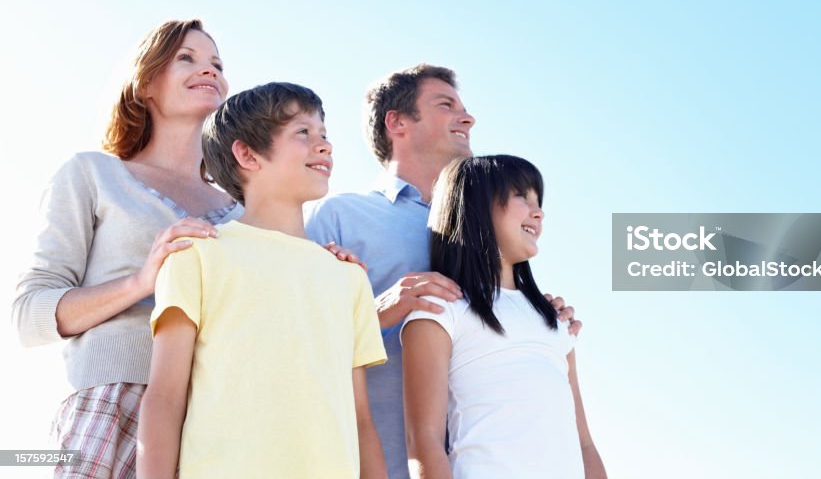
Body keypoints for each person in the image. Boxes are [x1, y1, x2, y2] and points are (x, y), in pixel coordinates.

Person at [305, 64, 581, 479]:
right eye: (446, 105)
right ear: (396, 122)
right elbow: (298, 340)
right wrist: (376, 310)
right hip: (378, 460)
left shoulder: (494, 223)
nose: (467, 118)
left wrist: (541, 314)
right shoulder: (341, 217)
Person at [12, 20, 241, 478]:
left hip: (217, 414)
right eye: (187, 58)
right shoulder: (93, 174)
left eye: (217, 63)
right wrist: (141, 281)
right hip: (111, 405)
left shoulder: (242, 211)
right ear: (147, 84)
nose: (210, 70)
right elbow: (29, 314)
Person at [137, 82, 387, 479]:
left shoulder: (348, 277)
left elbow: (360, 420)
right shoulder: (196, 253)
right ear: (247, 153)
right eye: (302, 132)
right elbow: (165, 397)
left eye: (324, 135)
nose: (324, 146)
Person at [402, 155, 606, 478]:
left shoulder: (555, 322)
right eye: (521, 197)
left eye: (538, 201)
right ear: (476, 207)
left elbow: (584, 443)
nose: (537, 212)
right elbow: (423, 441)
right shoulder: (440, 309)